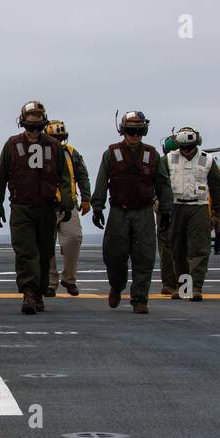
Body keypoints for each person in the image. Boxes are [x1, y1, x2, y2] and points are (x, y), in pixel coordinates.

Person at [0, 100, 73, 315]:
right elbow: (2, 175)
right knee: (26, 251)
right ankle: (28, 291)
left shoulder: (54, 146)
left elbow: (64, 176)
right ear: (23, 122)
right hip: (21, 207)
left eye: (37, 124)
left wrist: (67, 201)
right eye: (30, 124)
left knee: (44, 253)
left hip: (47, 207)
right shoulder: (12, 145)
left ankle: (39, 292)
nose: (34, 129)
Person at [90, 110, 173, 315]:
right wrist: (97, 206)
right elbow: (102, 181)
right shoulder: (111, 153)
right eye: (130, 131)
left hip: (144, 212)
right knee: (114, 256)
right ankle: (116, 286)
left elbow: (163, 184)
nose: (134, 136)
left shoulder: (153, 155)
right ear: (123, 131)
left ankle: (139, 299)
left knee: (144, 256)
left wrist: (167, 210)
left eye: (138, 132)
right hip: (119, 212)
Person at [163, 126, 220, 301]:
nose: (186, 151)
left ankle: (196, 287)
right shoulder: (168, 159)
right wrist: (157, 201)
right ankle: (183, 288)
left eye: (189, 147)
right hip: (175, 207)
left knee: (199, 249)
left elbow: (217, 188)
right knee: (178, 249)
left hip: (199, 207)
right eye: (183, 147)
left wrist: (218, 213)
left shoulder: (207, 160)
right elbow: (158, 182)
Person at [45, 119, 91, 297]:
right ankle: (50, 282)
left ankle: (69, 279)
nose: (58, 141)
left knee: (73, 238)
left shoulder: (71, 153)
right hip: (47, 205)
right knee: (46, 245)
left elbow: (82, 175)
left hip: (68, 204)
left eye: (60, 138)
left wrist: (86, 198)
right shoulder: (41, 153)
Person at [158, 134, 179, 295]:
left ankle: (170, 284)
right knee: (181, 247)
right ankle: (181, 284)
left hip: (169, 208)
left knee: (166, 248)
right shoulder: (161, 163)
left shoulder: (160, 162)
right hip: (173, 208)